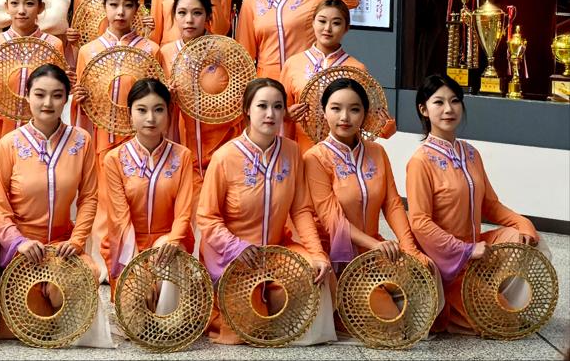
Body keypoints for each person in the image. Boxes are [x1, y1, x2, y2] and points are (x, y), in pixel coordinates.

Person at [197, 78, 335, 345]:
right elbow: (207, 217)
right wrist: (236, 247)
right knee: (248, 331)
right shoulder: (225, 157)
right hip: (234, 257)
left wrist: (318, 254)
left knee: (312, 273)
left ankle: (274, 300)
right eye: (262, 106)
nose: (270, 114)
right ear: (247, 110)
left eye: (278, 106)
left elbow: (301, 210)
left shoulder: (291, 151)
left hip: (276, 249)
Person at [406, 74, 546, 335]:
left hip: (477, 250)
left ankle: (489, 292)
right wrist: (466, 250)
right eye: (439, 102)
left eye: (455, 101)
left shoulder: (471, 153)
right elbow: (420, 223)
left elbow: (490, 205)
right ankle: (450, 304)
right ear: (423, 110)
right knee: (503, 323)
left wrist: (523, 223)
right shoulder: (420, 162)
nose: (448, 109)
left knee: (523, 238)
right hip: (447, 261)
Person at [0, 64, 111, 346]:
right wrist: (18, 242)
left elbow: (89, 197)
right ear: (27, 95)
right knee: (31, 324)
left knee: (82, 278)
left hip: (63, 245)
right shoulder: (9, 144)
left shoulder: (81, 141)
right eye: (40, 94)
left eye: (56, 95)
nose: (47, 103)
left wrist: (77, 240)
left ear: (66, 98)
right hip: (21, 250)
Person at [303, 77, 432, 326]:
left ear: (365, 114)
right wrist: (375, 245)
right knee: (389, 324)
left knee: (426, 283)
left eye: (354, 109)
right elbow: (332, 220)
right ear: (324, 111)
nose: (345, 117)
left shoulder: (377, 152)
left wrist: (409, 248)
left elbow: (392, 204)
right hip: (338, 254)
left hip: (374, 251)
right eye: (336, 108)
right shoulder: (315, 158)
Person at [73, 0, 160, 282]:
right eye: (114, 4)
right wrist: (79, 100)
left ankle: (136, 261)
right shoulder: (88, 51)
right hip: (102, 136)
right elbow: (83, 103)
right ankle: (103, 263)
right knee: (104, 201)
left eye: (127, 5)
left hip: (138, 140)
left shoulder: (151, 50)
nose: (120, 12)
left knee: (137, 198)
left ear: (137, 9)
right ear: (104, 7)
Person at [102, 79, 195, 297]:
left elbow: (183, 212)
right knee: (137, 305)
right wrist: (136, 266)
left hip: (169, 245)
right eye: (142, 110)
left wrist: (173, 239)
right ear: (130, 114)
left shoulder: (182, 156)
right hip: (128, 247)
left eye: (158, 110)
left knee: (166, 264)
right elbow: (119, 219)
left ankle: (170, 316)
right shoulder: (114, 159)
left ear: (169, 113)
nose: (151, 118)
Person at [280, 0, 395, 152]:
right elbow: (278, 109)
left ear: (346, 28)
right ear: (313, 22)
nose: (327, 28)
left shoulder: (357, 69)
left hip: (342, 152)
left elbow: (368, 120)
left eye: (336, 23)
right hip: (301, 150)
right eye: (322, 21)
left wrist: (385, 124)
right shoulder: (293, 64)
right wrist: (286, 114)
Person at [158, 0, 243, 194]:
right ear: (174, 16)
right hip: (182, 141)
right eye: (182, 13)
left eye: (197, 13)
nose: (189, 20)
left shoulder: (227, 50)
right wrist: (166, 96)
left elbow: (240, 99)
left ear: (208, 16)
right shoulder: (165, 53)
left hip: (222, 141)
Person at [0, 0, 65, 153]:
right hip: (0, 132)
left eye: (29, 3)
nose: (21, 11)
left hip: (42, 135)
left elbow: (58, 98)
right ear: (6, 6)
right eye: (14, 3)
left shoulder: (54, 45)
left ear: (41, 7)